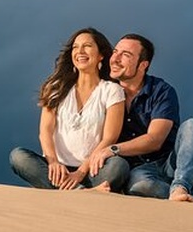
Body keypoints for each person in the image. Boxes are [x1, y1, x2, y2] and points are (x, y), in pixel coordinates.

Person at [90, 33, 193, 207]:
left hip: (170, 163)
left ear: (143, 65)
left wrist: (113, 149)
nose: (115, 59)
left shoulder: (162, 91)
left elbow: (155, 140)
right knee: (141, 187)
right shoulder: (106, 91)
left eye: (126, 55)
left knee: (191, 126)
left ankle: (181, 187)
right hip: (138, 170)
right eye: (115, 52)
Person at [10, 28, 130, 192]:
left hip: (92, 170)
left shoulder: (112, 90)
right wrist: (53, 162)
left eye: (87, 46)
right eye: (75, 47)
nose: (80, 51)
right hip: (57, 169)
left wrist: (81, 172)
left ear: (101, 55)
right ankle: (81, 191)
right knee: (18, 156)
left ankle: (74, 188)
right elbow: (45, 131)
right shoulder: (57, 88)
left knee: (119, 166)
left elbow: (109, 138)